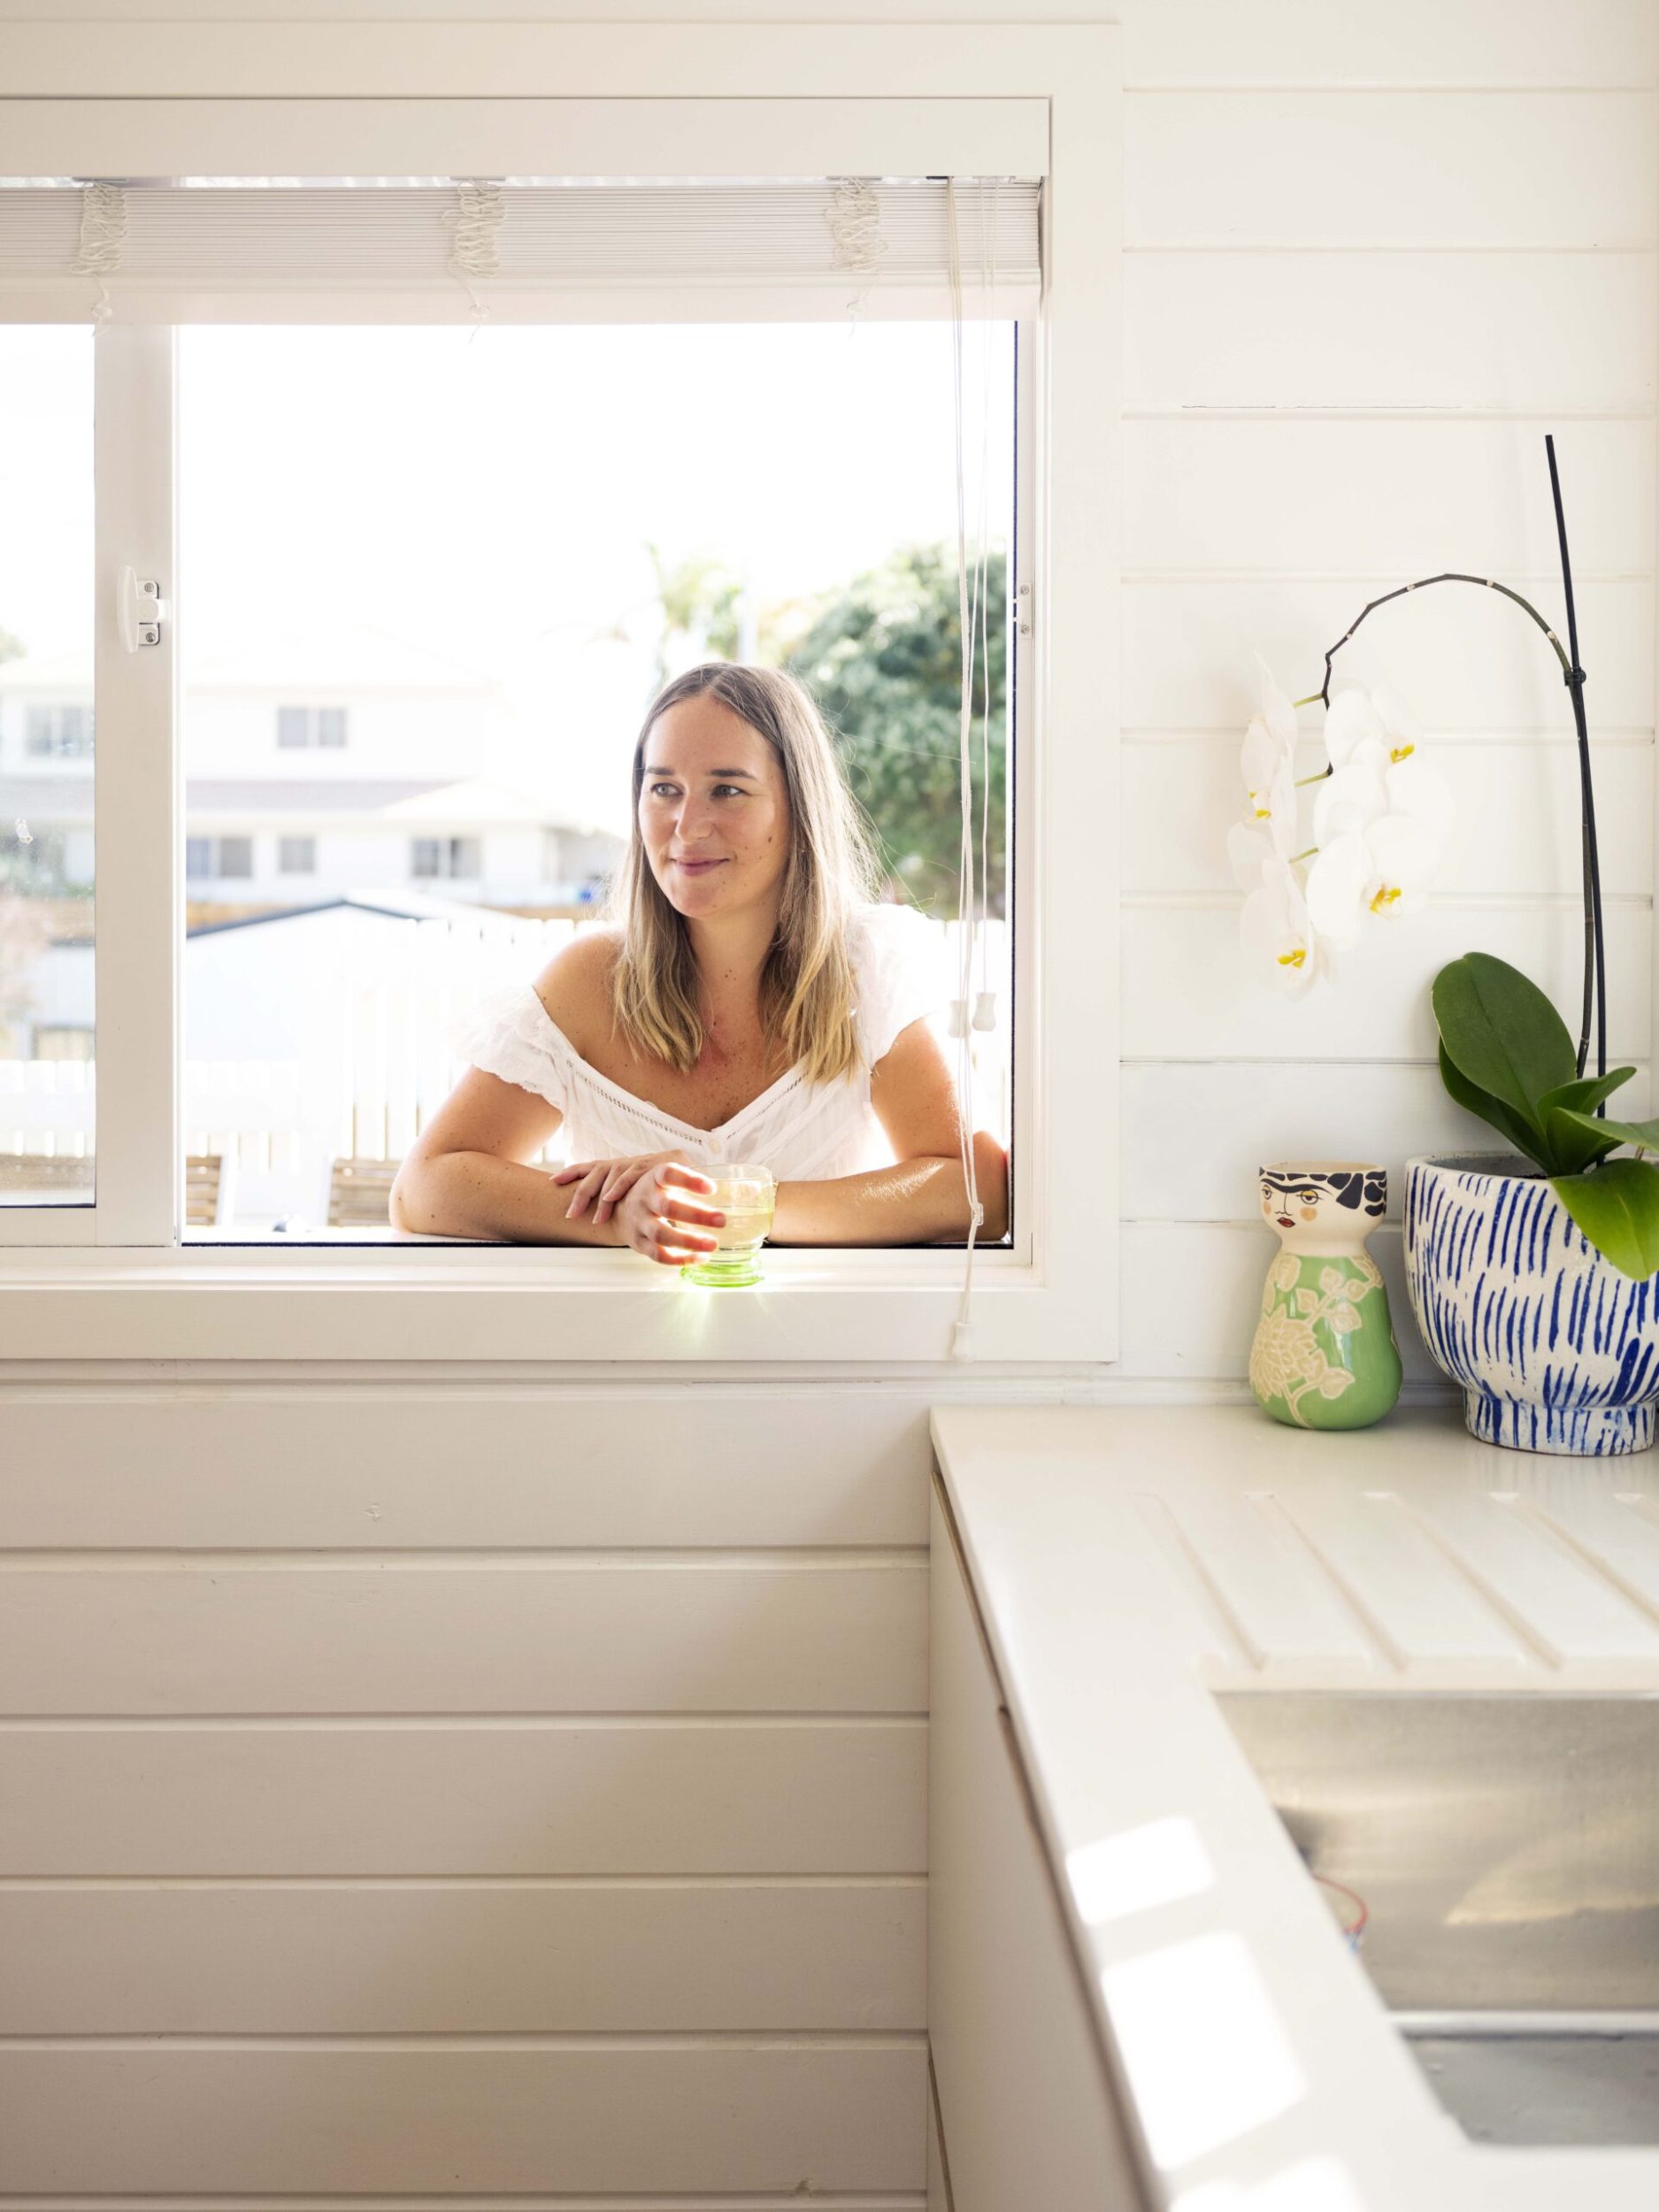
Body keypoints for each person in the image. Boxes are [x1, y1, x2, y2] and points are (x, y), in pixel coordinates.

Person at [389, 661, 1009, 1263]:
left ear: (798, 811)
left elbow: (978, 1188)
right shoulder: (589, 980)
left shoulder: (864, 971)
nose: (686, 826)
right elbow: (423, 1189)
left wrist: (731, 1207)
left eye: (727, 790)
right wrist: (625, 1218)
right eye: (664, 789)